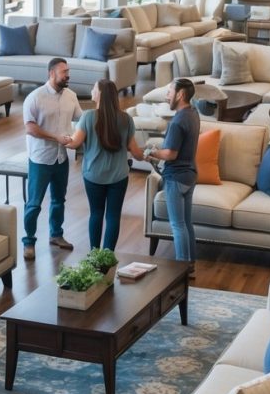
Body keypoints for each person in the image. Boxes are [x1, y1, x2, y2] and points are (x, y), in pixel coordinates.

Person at [66, 79, 145, 250]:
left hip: (93, 175)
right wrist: (148, 154)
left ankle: (94, 255)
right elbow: (136, 153)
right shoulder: (126, 119)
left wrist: (58, 138)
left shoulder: (88, 117)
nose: (91, 90)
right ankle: (107, 257)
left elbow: (74, 143)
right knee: (113, 216)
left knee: (96, 213)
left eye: (94, 88)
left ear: (100, 94)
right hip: (119, 177)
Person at [22, 57, 82, 261]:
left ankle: (56, 235)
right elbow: (30, 128)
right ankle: (29, 242)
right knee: (34, 204)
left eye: (68, 71)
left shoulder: (71, 96)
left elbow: (81, 119)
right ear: (51, 73)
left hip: (61, 158)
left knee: (58, 200)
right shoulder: (35, 98)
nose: (68, 75)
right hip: (40, 159)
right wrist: (56, 137)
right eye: (64, 72)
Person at [144, 78, 200, 273]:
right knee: (186, 223)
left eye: (169, 92)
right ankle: (190, 265)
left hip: (176, 178)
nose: (167, 95)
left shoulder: (177, 121)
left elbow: (170, 154)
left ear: (180, 94)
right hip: (190, 175)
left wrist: (152, 152)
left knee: (177, 225)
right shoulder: (193, 114)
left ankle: (182, 268)